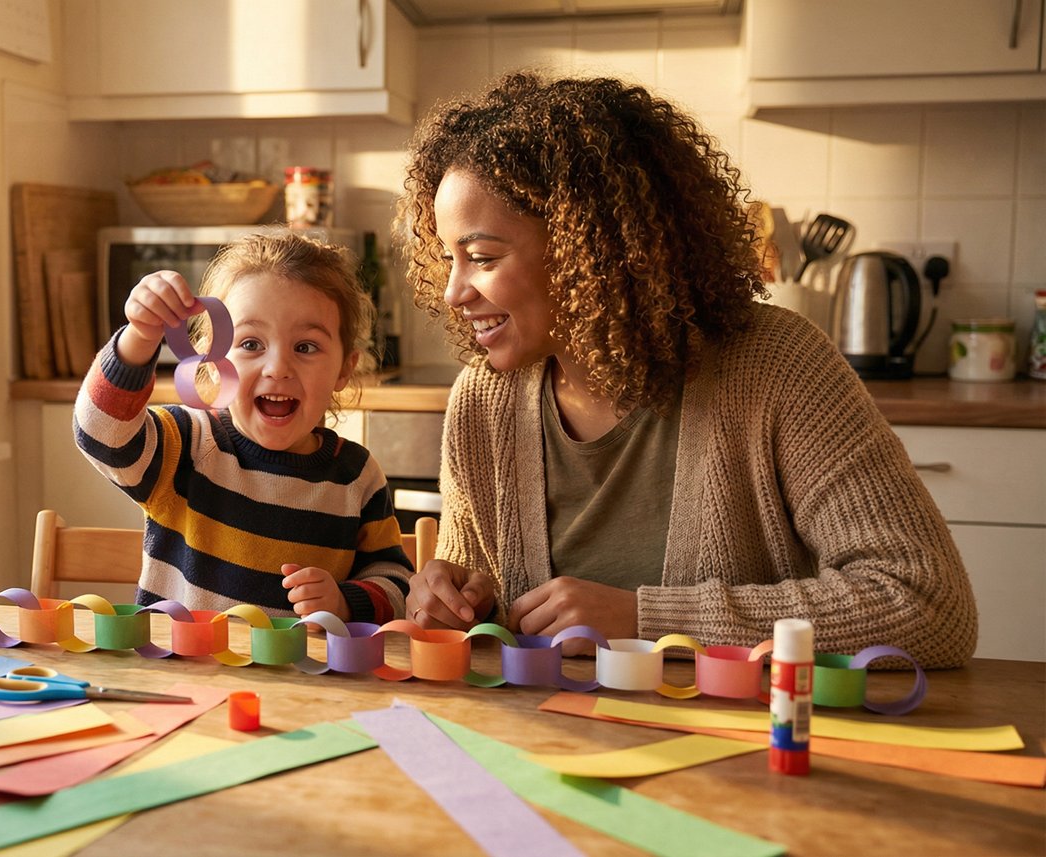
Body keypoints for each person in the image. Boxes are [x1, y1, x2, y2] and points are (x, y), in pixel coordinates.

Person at [396, 72, 976, 668]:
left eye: (482, 258)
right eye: (448, 260)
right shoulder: (482, 401)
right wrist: (452, 603)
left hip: (737, 747)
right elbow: (483, 611)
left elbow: (927, 603)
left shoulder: (776, 364)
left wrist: (647, 621)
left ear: (587, 246)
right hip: (543, 743)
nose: (453, 292)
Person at [74, 231, 413, 622]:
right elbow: (100, 433)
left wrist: (344, 601)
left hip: (297, 682)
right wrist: (141, 336)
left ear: (344, 369)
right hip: (180, 675)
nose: (278, 368)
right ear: (212, 355)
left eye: (305, 347)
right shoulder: (188, 444)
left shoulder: (356, 477)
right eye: (251, 344)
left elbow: (395, 580)